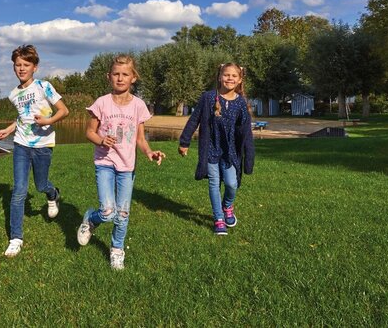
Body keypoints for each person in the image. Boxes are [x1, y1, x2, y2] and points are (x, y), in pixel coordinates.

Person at [76, 54, 165, 270]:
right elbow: (89, 132)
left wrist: (149, 152)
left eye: (125, 74)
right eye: (116, 74)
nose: (120, 78)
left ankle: (117, 250)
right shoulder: (102, 103)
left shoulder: (138, 105)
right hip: (104, 163)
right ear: (109, 76)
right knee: (108, 211)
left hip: (127, 166)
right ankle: (91, 219)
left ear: (133, 78)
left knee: (123, 213)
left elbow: (140, 139)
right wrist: (101, 140)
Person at [0, 44, 69, 257]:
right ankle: (16, 238)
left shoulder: (43, 86)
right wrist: (9, 129)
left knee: (41, 185)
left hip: (43, 145)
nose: (21, 68)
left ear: (34, 67)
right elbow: (22, 118)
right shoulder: (13, 94)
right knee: (19, 191)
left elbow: (64, 110)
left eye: (26, 65)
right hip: (21, 144)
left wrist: (48, 120)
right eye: (18, 65)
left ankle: (53, 194)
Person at [178, 63, 255, 235]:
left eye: (234, 76)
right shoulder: (208, 98)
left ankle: (227, 206)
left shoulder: (241, 103)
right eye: (226, 75)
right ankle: (218, 218)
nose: (230, 78)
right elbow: (194, 119)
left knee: (231, 184)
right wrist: (184, 142)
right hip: (211, 148)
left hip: (230, 151)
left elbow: (246, 132)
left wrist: (249, 156)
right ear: (220, 77)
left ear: (240, 80)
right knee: (214, 182)